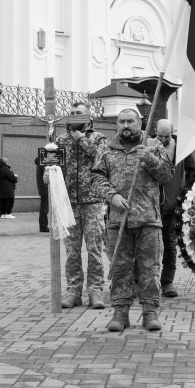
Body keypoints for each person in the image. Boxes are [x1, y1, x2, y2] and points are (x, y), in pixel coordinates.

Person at [91, 108, 173, 331]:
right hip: (119, 221)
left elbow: (167, 175)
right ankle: (120, 312)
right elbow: (96, 178)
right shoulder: (106, 149)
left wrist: (150, 159)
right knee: (120, 268)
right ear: (116, 125)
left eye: (130, 121)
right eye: (121, 121)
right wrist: (112, 195)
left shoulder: (153, 146)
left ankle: (150, 312)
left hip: (148, 219)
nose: (125, 125)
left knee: (149, 268)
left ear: (140, 123)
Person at [50, 101, 108, 309]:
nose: (75, 115)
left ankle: (95, 290)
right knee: (72, 251)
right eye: (72, 113)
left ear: (88, 116)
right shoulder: (61, 140)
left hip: (92, 201)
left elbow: (100, 159)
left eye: (79, 113)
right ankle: (73, 290)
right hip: (69, 202)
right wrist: (49, 175)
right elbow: (54, 166)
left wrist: (81, 139)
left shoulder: (98, 138)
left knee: (94, 249)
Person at [155, 118, 195, 299]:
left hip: (172, 206)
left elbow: (192, 171)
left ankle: (167, 281)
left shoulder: (182, 148)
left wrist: (185, 194)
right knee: (146, 246)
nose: (163, 139)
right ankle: (139, 280)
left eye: (167, 136)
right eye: (159, 135)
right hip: (150, 205)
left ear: (172, 132)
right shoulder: (148, 144)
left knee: (170, 244)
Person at [33, 155, 49, 232]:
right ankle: (43, 226)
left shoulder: (41, 162)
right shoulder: (43, 162)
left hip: (44, 188)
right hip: (45, 189)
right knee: (45, 208)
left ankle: (44, 225)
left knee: (44, 208)